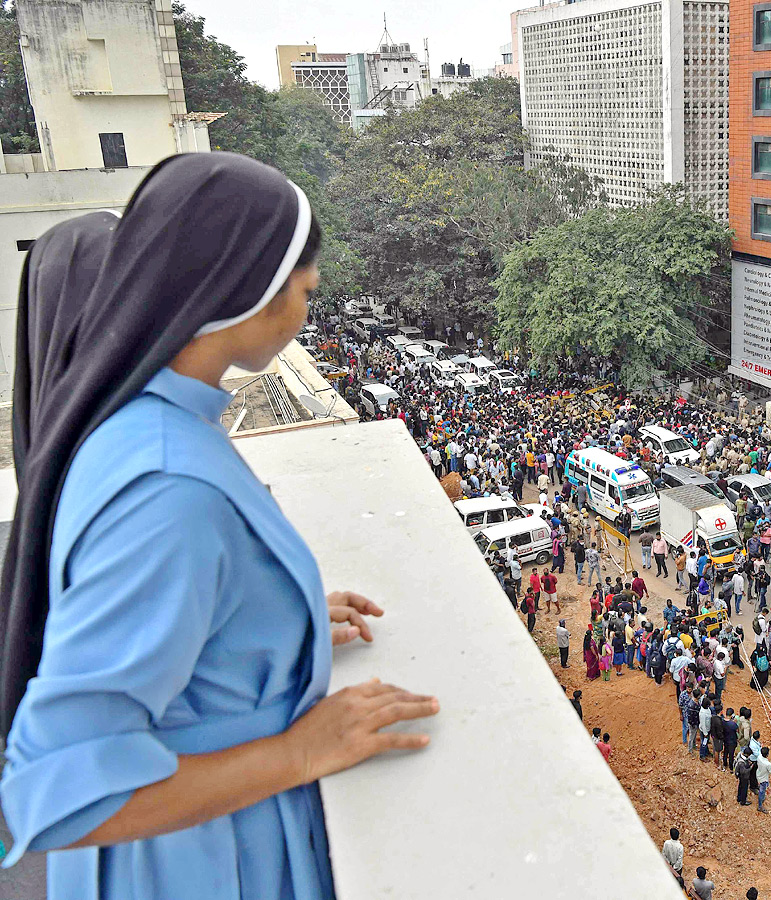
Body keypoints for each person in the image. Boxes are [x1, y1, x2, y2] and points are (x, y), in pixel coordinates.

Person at [0, 154, 441, 899]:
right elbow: (56, 790)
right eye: (304, 292)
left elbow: (179, 623)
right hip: (195, 861)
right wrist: (300, 754)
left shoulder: (149, 423)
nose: (308, 309)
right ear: (248, 294)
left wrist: (272, 618)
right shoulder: (166, 485)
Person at [756, 746, 771, 812]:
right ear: (767, 755)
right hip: (763, 779)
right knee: (762, 792)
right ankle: (760, 806)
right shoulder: (768, 764)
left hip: (758, 774)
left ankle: (761, 799)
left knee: (762, 789)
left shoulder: (759, 757)